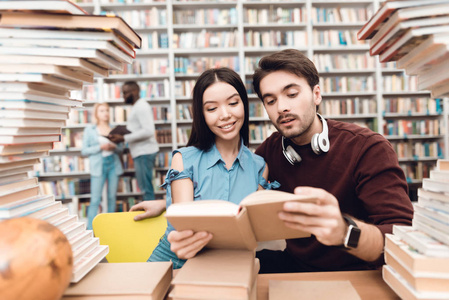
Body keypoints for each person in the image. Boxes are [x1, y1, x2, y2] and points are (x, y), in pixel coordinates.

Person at [154, 49, 414, 273]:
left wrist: (345, 231)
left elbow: (403, 239)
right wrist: (166, 202)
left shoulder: (367, 148)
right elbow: (229, 182)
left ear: (316, 94)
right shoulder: (268, 154)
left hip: (354, 272)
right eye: (271, 100)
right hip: (295, 267)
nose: (282, 107)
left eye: (291, 94)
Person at [131, 67, 277, 269]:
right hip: (176, 263)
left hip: (229, 265)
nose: (225, 115)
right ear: (201, 114)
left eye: (233, 103)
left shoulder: (259, 166)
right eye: (212, 108)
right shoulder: (184, 159)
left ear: (244, 104)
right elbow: (186, 230)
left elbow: (252, 231)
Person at [108, 81, 159, 201]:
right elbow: (139, 129)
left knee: (146, 188)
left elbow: (148, 131)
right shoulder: (137, 107)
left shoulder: (141, 107)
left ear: (135, 92)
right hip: (141, 153)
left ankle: (150, 217)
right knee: (145, 187)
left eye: (125, 93)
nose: (123, 96)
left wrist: (124, 138)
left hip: (144, 153)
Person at [82, 102, 124, 230]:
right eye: (101, 111)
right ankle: (90, 230)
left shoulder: (115, 129)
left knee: (112, 198)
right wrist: (100, 147)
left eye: (106, 110)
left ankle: (109, 229)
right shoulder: (90, 130)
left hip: (113, 164)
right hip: (98, 165)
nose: (105, 113)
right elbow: (84, 151)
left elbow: (121, 149)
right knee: (95, 199)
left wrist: (114, 146)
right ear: (96, 114)